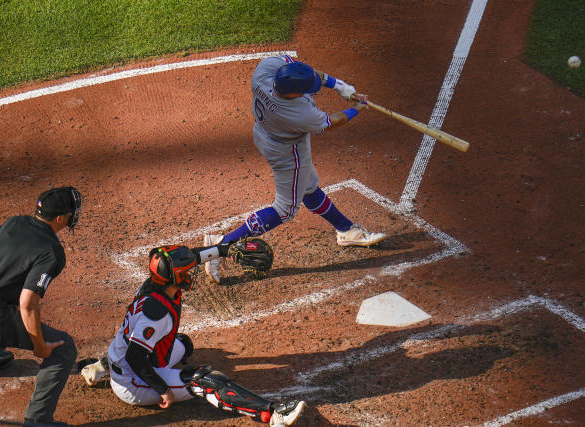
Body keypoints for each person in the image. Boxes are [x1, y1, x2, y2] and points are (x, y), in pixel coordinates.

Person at [204, 54, 387, 282]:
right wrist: (358, 107)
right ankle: (222, 244)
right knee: (286, 209)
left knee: (308, 187)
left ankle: (347, 230)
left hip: (264, 134)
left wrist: (341, 87)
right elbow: (333, 122)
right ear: (294, 93)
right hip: (287, 152)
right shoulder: (298, 113)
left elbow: (308, 73)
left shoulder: (265, 71)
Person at [104, 244, 306, 426]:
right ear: (176, 276)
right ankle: (272, 413)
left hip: (128, 358)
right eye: (186, 271)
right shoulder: (156, 314)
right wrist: (162, 389)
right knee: (203, 379)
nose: (191, 272)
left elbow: (194, 256)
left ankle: (102, 365)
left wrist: (225, 249)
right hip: (133, 382)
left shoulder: (157, 284)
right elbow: (135, 356)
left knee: (183, 344)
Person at [0, 186, 83, 426]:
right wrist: (39, 346)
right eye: (71, 212)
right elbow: (28, 303)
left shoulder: (14, 222)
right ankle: (38, 420)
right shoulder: (52, 251)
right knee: (63, 348)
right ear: (60, 219)